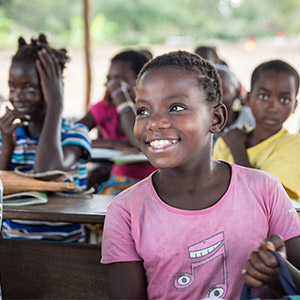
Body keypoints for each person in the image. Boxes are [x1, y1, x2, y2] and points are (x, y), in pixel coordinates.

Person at [101, 51, 300, 299]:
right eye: (143, 111)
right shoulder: (125, 211)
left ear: (216, 119)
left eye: (175, 107)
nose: (154, 123)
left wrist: (277, 274)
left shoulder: (265, 190)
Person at [0, 34, 91, 242]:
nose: (18, 96)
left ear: (54, 91)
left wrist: (55, 106)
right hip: (13, 248)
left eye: (30, 88)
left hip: (65, 250)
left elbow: (46, 172)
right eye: (13, 87)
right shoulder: (8, 134)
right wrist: (7, 147)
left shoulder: (75, 133)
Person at [213, 59, 300, 202]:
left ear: (294, 106)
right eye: (264, 96)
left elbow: (266, 202)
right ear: (248, 98)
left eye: (284, 99)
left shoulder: (295, 146)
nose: (273, 107)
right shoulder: (224, 144)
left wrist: (237, 150)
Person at [78, 49, 156, 195]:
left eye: (119, 79)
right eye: (109, 79)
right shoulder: (104, 108)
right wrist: (113, 144)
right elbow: (72, 134)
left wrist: (121, 98)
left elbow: (138, 139)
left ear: (140, 81)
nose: (112, 85)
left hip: (154, 180)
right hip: (120, 179)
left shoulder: (152, 107)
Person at [213, 64, 255, 145]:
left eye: (222, 91)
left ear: (236, 93)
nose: (214, 97)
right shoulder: (198, 123)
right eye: (209, 91)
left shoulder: (251, 120)